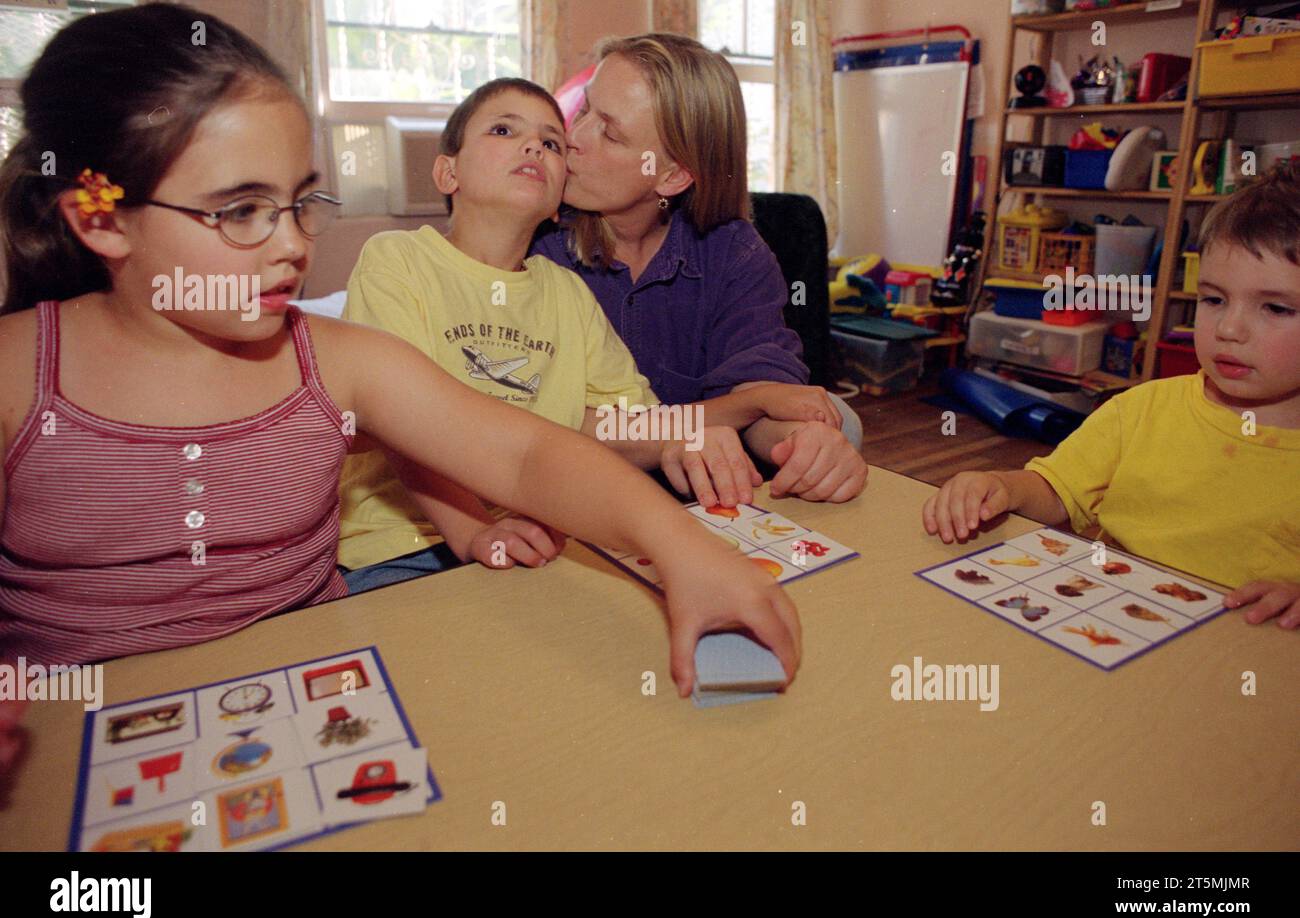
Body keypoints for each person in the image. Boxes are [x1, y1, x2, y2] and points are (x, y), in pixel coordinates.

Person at [0, 4, 802, 696]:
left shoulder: (336, 360)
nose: (293, 243)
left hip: (310, 694)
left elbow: (526, 453)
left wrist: (681, 548)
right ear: (100, 217)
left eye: (301, 201)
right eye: (242, 209)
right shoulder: (16, 373)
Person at [337, 78, 838, 590]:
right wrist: (473, 532)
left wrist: (747, 406)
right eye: (504, 129)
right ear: (448, 171)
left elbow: (627, 427)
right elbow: (400, 422)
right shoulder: (396, 259)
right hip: (406, 545)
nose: (533, 145)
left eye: (551, 143)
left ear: (560, 198)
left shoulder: (568, 294)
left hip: (542, 541)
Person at [922, 165, 1300, 629]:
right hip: (1110, 625)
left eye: (1276, 308)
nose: (1228, 329)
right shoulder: (1139, 410)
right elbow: (1056, 491)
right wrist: (1002, 486)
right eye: (1214, 300)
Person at [531, 33, 868, 504]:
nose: (572, 138)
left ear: (672, 176)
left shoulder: (734, 253)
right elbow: (555, 428)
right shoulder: (534, 246)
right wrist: (741, 408)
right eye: (584, 110)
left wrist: (804, 443)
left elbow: (765, 396)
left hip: (695, 509)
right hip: (568, 505)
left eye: (609, 131)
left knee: (837, 423)